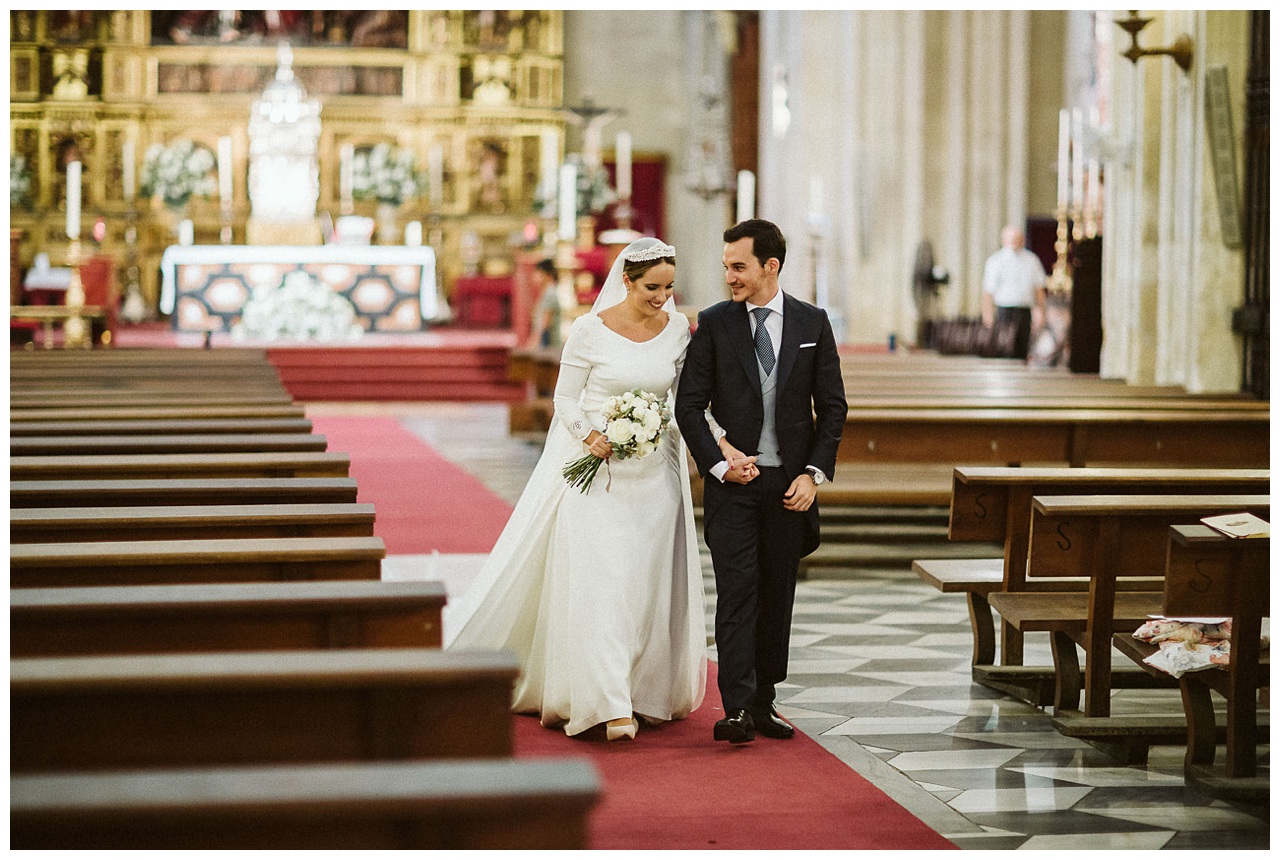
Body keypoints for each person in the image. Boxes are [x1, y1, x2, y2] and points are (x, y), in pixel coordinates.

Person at [445, 237, 706, 742]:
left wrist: (694, 443)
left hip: (655, 475)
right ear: (626, 281)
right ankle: (607, 702)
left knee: (645, 584)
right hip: (597, 469)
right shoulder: (589, 330)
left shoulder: (678, 331)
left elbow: (684, 402)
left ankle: (643, 690)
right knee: (603, 582)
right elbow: (565, 400)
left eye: (670, 287)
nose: (662, 297)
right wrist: (593, 435)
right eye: (653, 287)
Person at [675, 218, 847, 745]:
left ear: (771, 266)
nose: (729, 276)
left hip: (789, 488)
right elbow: (689, 405)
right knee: (736, 594)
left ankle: (765, 701)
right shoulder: (715, 323)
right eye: (726, 267)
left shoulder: (813, 324)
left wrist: (813, 474)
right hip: (734, 487)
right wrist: (720, 465)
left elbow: (833, 407)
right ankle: (735, 708)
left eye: (739, 266)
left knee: (777, 594)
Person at [980, 225, 1047, 360]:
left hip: (1024, 310)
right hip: (1004, 310)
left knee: (1022, 347)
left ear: (1022, 240)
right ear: (1003, 240)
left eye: (1016, 238)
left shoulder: (1032, 260)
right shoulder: (995, 261)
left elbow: (1039, 289)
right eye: (1010, 238)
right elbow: (988, 292)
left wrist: (1040, 310)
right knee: (1004, 346)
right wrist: (987, 314)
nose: (1013, 242)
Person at [525, 258, 561, 349]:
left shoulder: (550, 293)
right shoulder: (546, 292)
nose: (534, 276)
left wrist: (533, 343)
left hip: (548, 345)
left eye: (538, 273)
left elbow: (545, 324)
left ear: (546, 275)